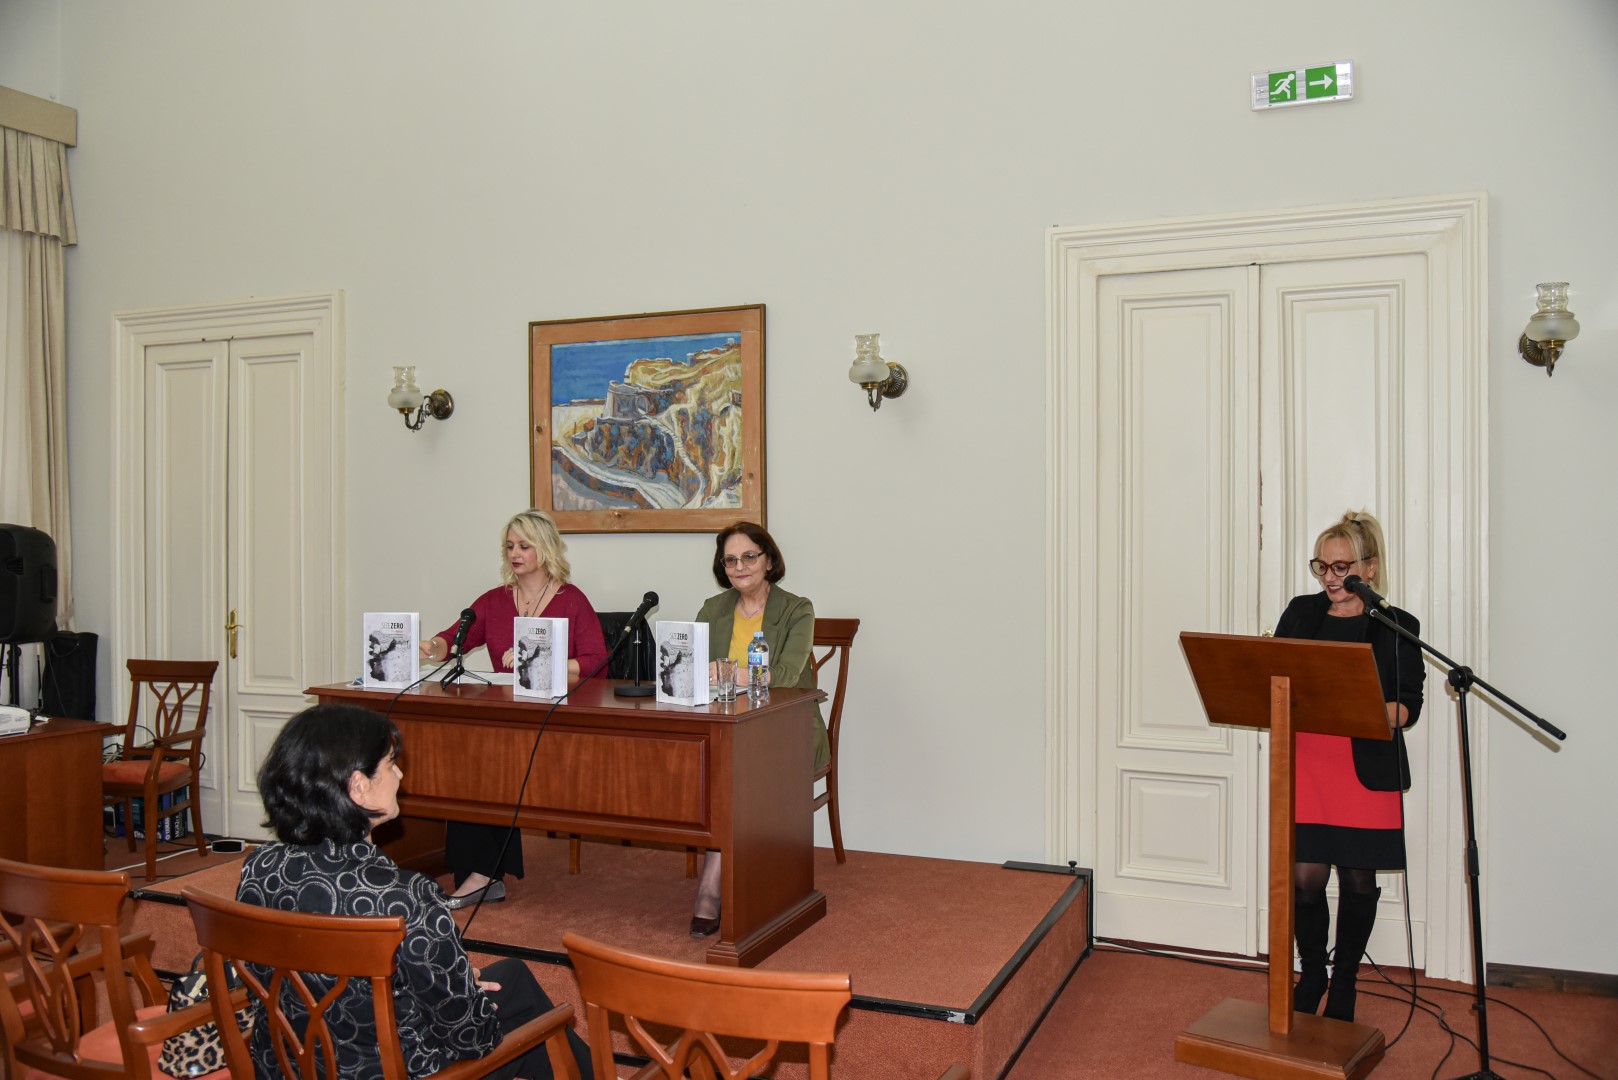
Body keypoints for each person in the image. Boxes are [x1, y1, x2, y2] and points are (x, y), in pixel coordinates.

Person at [241, 703, 593, 1080]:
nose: (400, 773)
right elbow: (474, 1038)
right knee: (528, 1017)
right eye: (390, 763)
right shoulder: (407, 896)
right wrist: (466, 997)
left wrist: (458, 983)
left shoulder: (259, 868)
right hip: (394, 1069)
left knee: (512, 976)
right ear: (358, 787)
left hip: (289, 1065)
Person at [1275, 510, 1424, 1021]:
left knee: (1359, 881)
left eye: (1342, 567)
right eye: (1322, 566)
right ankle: (1313, 974)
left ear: (1371, 568)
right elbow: (1275, 674)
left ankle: (1344, 982)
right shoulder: (1301, 613)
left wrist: (1364, 707)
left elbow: (1408, 705)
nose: (1330, 578)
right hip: (1309, 763)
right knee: (1305, 881)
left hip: (1364, 768)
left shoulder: (1398, 626)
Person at [420, 508, 608, 908]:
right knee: (468, 758)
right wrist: (431, 647)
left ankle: (484, 874)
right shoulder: (494, 600)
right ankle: (480, 872)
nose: (515, 554)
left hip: (556, 718)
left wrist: (547, 662)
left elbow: (597, 661)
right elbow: (455, 638)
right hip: (506, 716)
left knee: (487, 761)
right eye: (509, 547)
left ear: (545, 548)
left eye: (524, 546)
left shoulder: (571, 600)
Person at [688, 521, 827, 937]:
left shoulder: (797, 609)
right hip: (725, 725)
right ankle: (731, 870)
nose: (739, 566)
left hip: (786, 730)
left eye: (749, 556)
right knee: (706, 762)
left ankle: (711, 884)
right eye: (730, 560)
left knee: (734, 774)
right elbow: (693, 667)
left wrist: (731, 671)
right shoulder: (713, 609)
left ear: (769, 560)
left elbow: (787, 675)